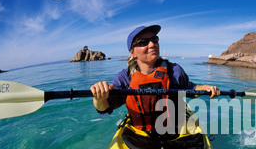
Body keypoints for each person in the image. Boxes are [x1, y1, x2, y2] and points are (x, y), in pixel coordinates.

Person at [90, 25, 220, 133]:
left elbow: (191, 89)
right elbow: (104, 109)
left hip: (175, 131)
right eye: (143, 42)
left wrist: (204, 88)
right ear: (132, 53)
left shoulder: (175, 70)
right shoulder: (124, 78)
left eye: (154, 39)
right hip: (141, 134)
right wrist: (99, 98)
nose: (152, 44)